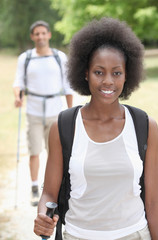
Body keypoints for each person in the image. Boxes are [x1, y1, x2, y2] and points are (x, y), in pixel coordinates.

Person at [34, 17, 158, 239]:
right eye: (99, 72)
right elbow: (49, 193)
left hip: (135, 234)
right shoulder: (64, 127)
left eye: (117, 72)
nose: (108, 81)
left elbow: (153, 201)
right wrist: (43, 216)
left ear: (127, 74)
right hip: (79, 235)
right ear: (85, 73)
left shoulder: (145, 126)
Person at [13, 20, 73, 206]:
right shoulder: (26, 58)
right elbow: (18, 83)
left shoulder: (59, 57)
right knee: (34, 151)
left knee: (55, 153)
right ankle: (33, 187)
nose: (40, 36)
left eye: (43, 33)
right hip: (34, 111)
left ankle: (55, 188)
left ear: (49, 35)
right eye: (36, 34)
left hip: (56, 113)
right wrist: (18, 96)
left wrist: (70, 112)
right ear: (32, 36)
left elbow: (68, 86)